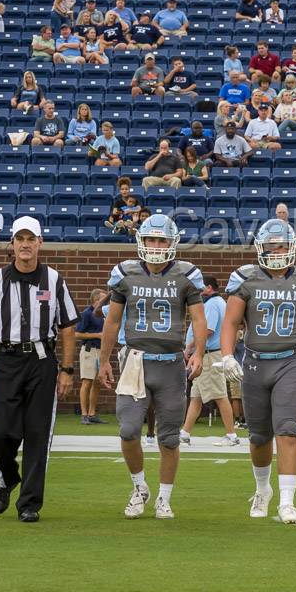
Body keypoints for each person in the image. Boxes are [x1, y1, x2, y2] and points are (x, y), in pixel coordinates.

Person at [218, 220, 296, 524]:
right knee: (258, 437)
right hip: (255, 364)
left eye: (281, 245)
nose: (276, 251)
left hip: (291, 362)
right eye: (271, 246)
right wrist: (228, 355)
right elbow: (230, 322)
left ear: (292, 247)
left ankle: (287, 501)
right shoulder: (245, 279)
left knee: (287, 430)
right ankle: (262, 489)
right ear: (260, 247)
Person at [97, 215, 208, 520]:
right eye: (151, 240)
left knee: (169, 438)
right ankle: (139, 487)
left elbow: (199, 319)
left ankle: (164, 497)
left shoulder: (187, 275)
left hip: (171, 363)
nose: (156, 246)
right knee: (129, 430)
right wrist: (104, 359)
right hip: (135, 362)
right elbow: (113, 320)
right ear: (141, 241)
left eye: (161, 240)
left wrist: (199, 353)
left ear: (172, 243)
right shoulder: (125, 273)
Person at [0, 216, 79, 523]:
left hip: (42, 361)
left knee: (37, 435)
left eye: (31, 239)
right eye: (20, 239)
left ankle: (29, 504)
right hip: (5, 361)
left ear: (40, 244)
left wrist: (67, 369)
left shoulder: (54, 280)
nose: (25, 244)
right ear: (13, 244)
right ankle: (7, 478)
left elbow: (68, 326)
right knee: (2, 433)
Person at [180, 277, 239, 447]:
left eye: (200, 287)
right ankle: (185, 433)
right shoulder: (217, 302)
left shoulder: (213, 303)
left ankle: (231, 435)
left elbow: (208, 330)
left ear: (208, 287)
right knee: (196, 397)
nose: (198, 291)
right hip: (206, 354)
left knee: (219, 395)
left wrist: (190, 349)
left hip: (209, 355)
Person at [74, 288, 108, 425]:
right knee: (87, 382)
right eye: (104, 299)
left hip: (101, 351)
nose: (106, 301)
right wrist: (96, 335)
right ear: (96, 300)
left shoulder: (104, 314)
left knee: (97, 383)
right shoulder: (87, 314)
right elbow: (76, 334)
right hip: (89, 350)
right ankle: (84, 414)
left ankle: (92, 413)